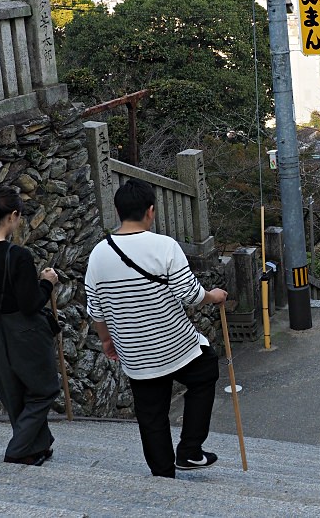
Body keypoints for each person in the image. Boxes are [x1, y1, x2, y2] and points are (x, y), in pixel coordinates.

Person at [85, 179, 228, 478]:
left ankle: (163, 476)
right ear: (150, 211)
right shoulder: (164, 246)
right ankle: (189, 450)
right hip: (175, 345)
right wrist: (214, 296)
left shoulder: (98, 254)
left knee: (151, 415)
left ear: (118, 210)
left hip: (135, 352)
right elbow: (190, 294)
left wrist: (107, 340)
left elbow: (96, 310)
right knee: (205, 372)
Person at [0, 186, 60, 466]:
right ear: (12, 216)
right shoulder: (17, 255)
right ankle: (19, 450)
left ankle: (37, 445)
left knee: (13, 390)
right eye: (19, 217)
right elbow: (31, 304)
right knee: (43, 390)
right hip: (25, 330)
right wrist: (47, 282)